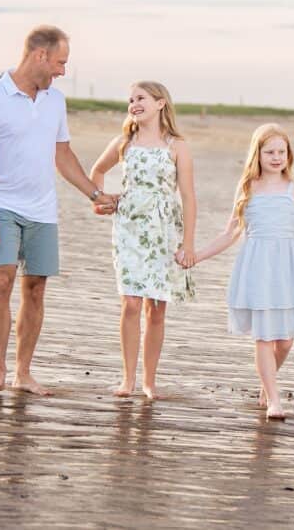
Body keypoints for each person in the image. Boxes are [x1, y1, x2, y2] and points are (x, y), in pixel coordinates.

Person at [0, 25, 118, 396]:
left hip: (43, 210)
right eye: (61, 63)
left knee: (35, 289)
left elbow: (62, 154)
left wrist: (94, 193)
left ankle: (23, 372)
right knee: (2, 280)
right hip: (0, 204)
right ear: (40, 56)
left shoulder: (55, 102)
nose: (63, 71)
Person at [180, 123, 294, 419]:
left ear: (288, 154)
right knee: (265, 337)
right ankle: (274, 399)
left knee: (285, 341)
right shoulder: (248, 188)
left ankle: (265, 384)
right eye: (270, 151)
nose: (276, 157)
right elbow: (230, 234)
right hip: (256, 267)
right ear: (258, 154)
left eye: (281, 151)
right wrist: (198, 255)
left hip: (287, 269)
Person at [89, 82, 197, 400]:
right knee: (131, 303)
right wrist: (101, 200)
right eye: (131, 100)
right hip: (129, 229)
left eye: (141, 99)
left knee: (156, 308)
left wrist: (188, 243)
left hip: (165, 231)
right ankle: (127, 379)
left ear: (161, 103)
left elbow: (189, 197)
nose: (134, 104)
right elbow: (97, 170)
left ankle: (149, 380)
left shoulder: (177, 145)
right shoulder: (125, 141)